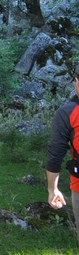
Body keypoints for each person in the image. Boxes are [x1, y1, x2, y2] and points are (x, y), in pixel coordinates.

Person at [46, 64, 79, 242]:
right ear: (75, 82)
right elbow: (55, 154)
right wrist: (53, 189)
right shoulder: (67, 113)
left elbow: (55, 154)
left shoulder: (67, 112)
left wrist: (53, 189)